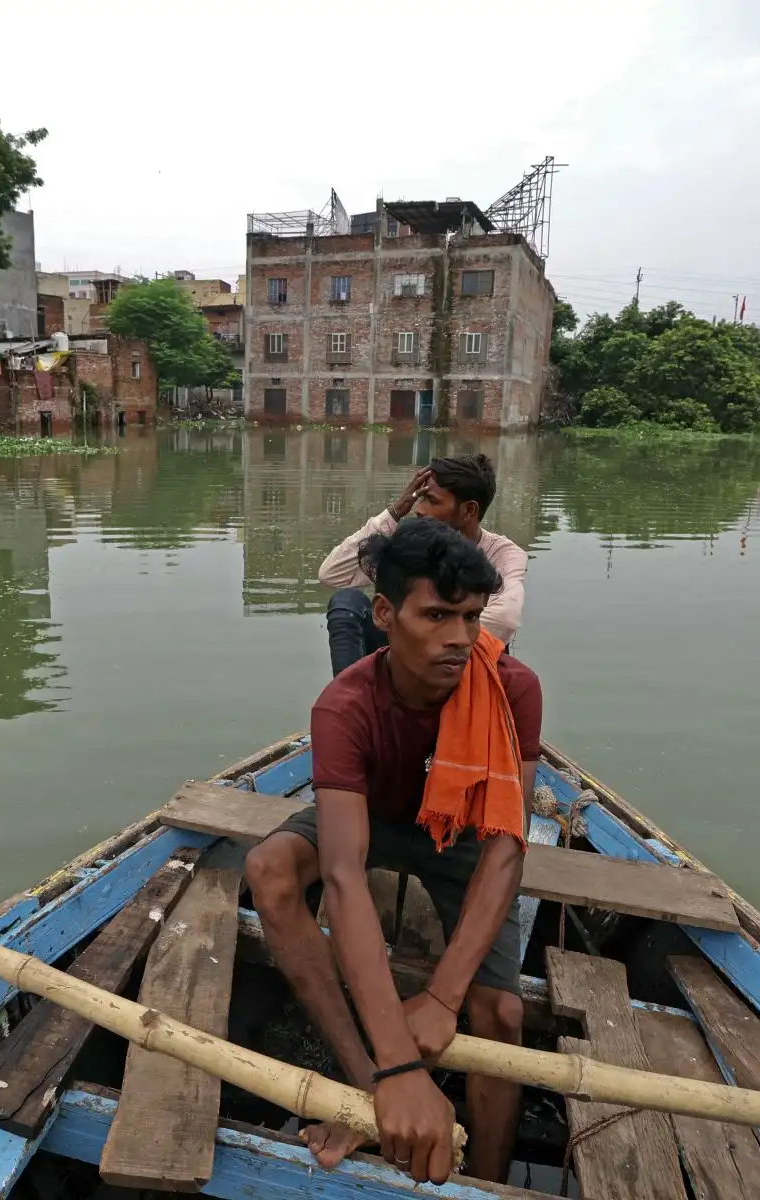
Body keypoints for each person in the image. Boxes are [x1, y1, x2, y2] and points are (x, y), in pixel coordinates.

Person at [247, 519, 539, 1184]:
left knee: (501, 1012)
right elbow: (344, 876)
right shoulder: (345, 707)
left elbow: (505, 848)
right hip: (373, 816)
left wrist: (442, 996)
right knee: (268, 870)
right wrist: (400, 1072)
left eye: (470, 616)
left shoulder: (512, 689)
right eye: (436, 615)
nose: (460, 639)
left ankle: (486, 1177)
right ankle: (367, 1090)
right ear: (384, 613)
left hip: (465, 830)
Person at [318, 454, 526, 677]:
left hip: (462, 660)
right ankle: (349, 697)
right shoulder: (410, 544)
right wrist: (396, 511)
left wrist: (423, 636)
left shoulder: (503, 554)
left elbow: (503, 620)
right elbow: (332, 574)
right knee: (347, 603)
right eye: (420, 498)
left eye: (432, 501)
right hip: (407, 650)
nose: (420, 509)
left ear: (469, 511)